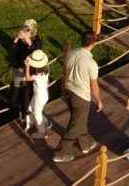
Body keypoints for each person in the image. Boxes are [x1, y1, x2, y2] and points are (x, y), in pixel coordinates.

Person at [53, 33, 103, 163]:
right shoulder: (91, 63)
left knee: (79, 119)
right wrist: (98, 101)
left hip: (69, 92)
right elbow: (94, 86)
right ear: (93, 44)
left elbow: (64, 73)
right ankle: (61, 152)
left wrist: (63, 90)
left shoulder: (70, 54)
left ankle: (85, 144)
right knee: (75, 124)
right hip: (81, 97)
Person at [10, 19, 42, 124]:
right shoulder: (20, 40)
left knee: (26, 93)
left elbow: (36, 52)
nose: (25, 31)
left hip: (29, 71)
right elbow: (13, 51)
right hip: (19, 69)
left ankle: (25, 113)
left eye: (28, 30)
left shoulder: (37, 41)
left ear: (33, 31)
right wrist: (16, 39)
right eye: (25, 29)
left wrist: (28, 41)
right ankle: (15, 108)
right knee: (15, 90)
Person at [24, 49, 51, 139]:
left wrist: (27, 66)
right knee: (31, 107)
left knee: (37, 113)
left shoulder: (37, 76)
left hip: (39, 96)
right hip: (43, 94)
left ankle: (41, 132)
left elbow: (28, 78)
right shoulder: (47, 70)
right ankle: (41, 122)